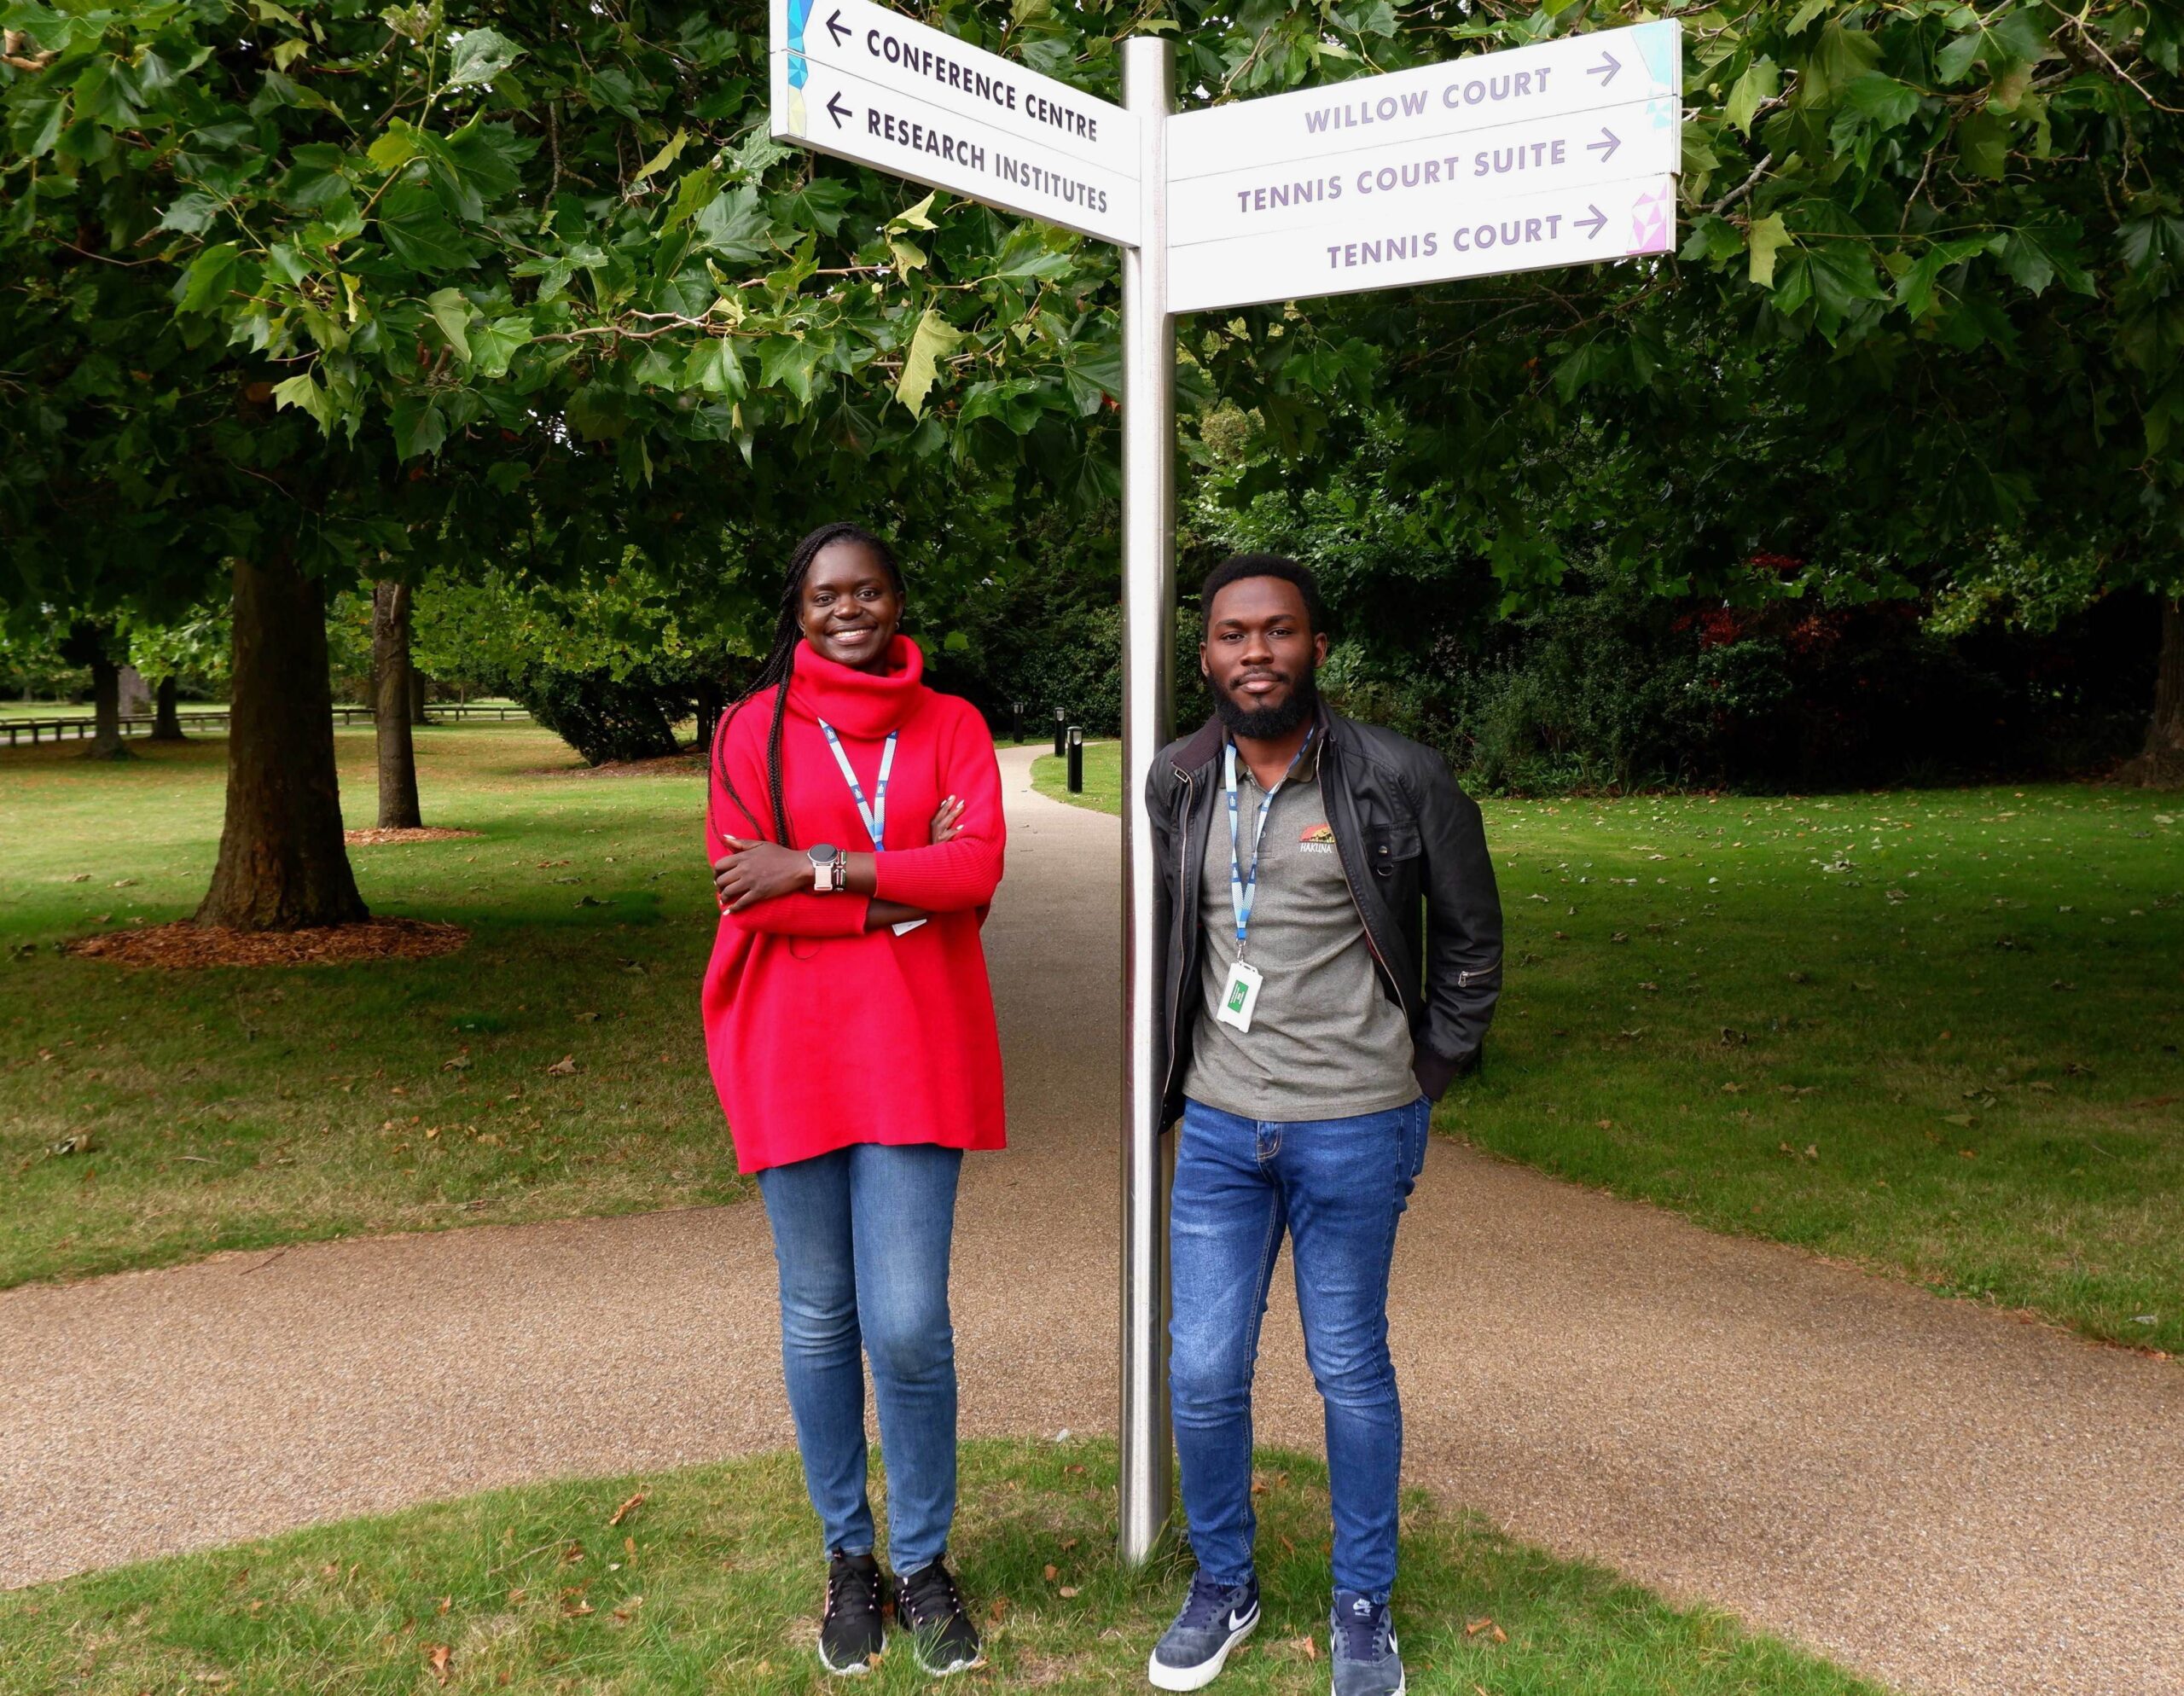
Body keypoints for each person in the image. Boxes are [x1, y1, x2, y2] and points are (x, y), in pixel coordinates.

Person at [1141, 554, 1502, 1694]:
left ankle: (1362, 1604)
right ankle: (1225, 1585)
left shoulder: (1399, 777)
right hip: (1218, 1132)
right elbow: (1176, 943)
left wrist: (1430, 1068)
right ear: (1205, 656)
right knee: (1200, 1374)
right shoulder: (1179, 781)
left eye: (1279, 632)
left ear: (1317, 648)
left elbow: (1472, 938)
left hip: (1356, 1126)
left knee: (1348, 1367)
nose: (1257, 653)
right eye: (1235, 634)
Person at [703, 521, 1005, 1679]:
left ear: (896, 600)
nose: (849, 609)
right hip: (791, 1044)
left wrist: (823, 867)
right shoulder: (750, 729)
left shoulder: (954, 726)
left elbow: (973, 871)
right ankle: (849, 1557)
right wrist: (902, 891)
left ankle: (924, 1563)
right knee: (821, 1312)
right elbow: (746, 891)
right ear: (799, 606)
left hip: (919, 1047)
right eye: (828, 594)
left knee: (910, 1322)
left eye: (869, 590)